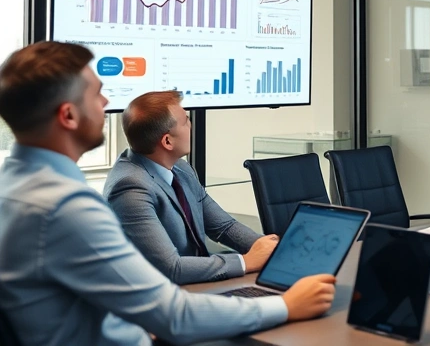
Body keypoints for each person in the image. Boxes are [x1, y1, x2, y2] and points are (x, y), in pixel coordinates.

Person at [0, 42, 335, 346]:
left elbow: (220, 225)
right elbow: (174, 315)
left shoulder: (16, 186)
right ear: (69, 115)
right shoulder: (66, 207)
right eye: (96, 94)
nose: (105, 103)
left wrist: (278, 254)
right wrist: (286, 305)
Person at [104, 90, 278, 285]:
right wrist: (246, 262)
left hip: (196, 283)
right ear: (167, 141)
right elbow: (171, 269)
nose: (191, 125)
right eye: (186, 121)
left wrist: (271, 250)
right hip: (160, 297)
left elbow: (224, 227)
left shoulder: (180, 168)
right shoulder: (130, 189)